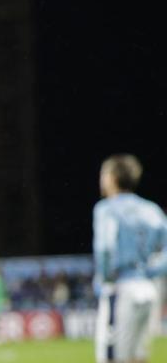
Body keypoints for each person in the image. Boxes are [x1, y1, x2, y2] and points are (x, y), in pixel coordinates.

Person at [93, 154, 167, 363]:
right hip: (147, 289)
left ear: (111, 178)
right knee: (138, 356)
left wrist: (105, 277)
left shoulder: (106, 208)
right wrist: (153, 270)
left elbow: (105, 247)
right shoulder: (150, 209)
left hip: (121, 288)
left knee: (113, 357)